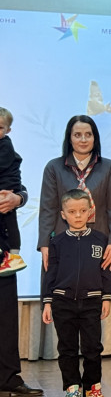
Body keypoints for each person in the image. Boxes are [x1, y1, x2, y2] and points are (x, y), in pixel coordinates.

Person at [42, 189, 111, 397]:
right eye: (72, 211)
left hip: (92, 302)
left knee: (93, 347)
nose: (77, 215)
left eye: (83, 211)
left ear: (90, 212)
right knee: (67, 348)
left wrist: (106, 297)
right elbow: (49, 273)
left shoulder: (101, 240)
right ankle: (72, 389)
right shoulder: (57, 242)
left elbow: (107, 270)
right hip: (62, 302)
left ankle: (93, 389)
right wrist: (47, 302)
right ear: (63, 214)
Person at [38, 115, 111, 272]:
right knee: (60, 284)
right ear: (69, 138)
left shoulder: (109, 168)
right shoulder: (54, 167)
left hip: (99, 242)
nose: (83, 140)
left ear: (95, 138)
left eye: (88, 134)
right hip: (62, 242)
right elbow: (48, 209)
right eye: (77, 135)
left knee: (96, 284)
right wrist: (44, 244)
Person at [0, 184, 43, 397]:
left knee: (7, 317)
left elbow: (20, 189)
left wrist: (18, 199)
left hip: (5, 253)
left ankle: (9, 378)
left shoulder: (6, 167)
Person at [0, 107, 26, 274]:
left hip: (7, 189)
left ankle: (14, 256)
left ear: (8, 130)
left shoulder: (5, 146)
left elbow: (22, 191)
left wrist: (18, 197)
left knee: (9, 217)